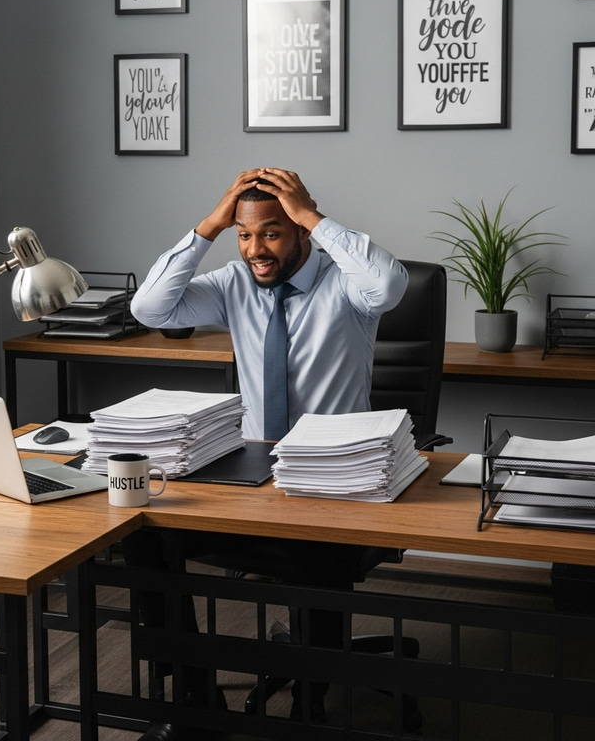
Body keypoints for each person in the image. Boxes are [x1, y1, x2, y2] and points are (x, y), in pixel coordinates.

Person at [126, 167, 408, 740]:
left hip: (336, 479)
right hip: (253, 477)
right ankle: (195, 700)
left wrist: (312, 215)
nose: (256, 250)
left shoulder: (347, 287)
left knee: (317, 550)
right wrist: (209, 225)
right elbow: (150, 310)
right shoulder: (234, 285)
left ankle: (312, 698)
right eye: (245, 235)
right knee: (145, 535)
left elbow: (390, 285)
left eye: (273, 234)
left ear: (302, 231)